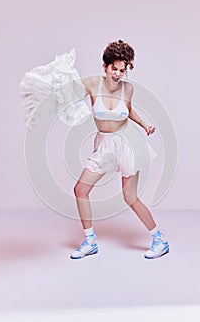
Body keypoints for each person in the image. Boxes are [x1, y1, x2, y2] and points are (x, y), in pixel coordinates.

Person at [70, 40, 169, 260]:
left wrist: (145, 124)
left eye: (122, 70)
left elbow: (129, 110)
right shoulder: (92, 84)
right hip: (104, 144)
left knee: (129, 196)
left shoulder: (128, 88)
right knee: (80, 190)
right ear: (105, 66)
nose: (117, 74)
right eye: (114, 68)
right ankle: (90, 241)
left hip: (127, 143)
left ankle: (159, 239)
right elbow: (70, 95)